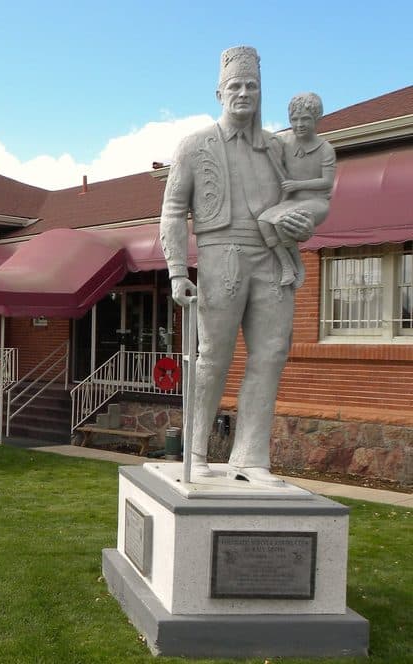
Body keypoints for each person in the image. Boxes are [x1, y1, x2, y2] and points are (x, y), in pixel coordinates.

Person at [159, 46, 319, 486]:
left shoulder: (278, 148)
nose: (244, 93)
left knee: (271, 353)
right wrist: (177, 270)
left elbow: (305, 200)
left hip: (273, 256)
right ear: (219, 93)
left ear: (261, 91)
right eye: (235, 86)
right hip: (221, 255)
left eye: (252, 85)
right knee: (213, 356)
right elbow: (172, 210)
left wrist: (304, 222)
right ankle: (195, 450)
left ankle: (250, 457)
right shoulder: (195, 145)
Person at [257, 92, 336, 287]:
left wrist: (297, 184)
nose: (299, 124)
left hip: (316, 201)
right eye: (294, 119)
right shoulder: (285, 141)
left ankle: (297, 263)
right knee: (263, 221)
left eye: (305, 119)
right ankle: (286, 264)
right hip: (291, 201)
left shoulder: (325, 149)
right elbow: (264, 140)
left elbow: (327, 182)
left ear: (317, 118)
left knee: (283, 222)